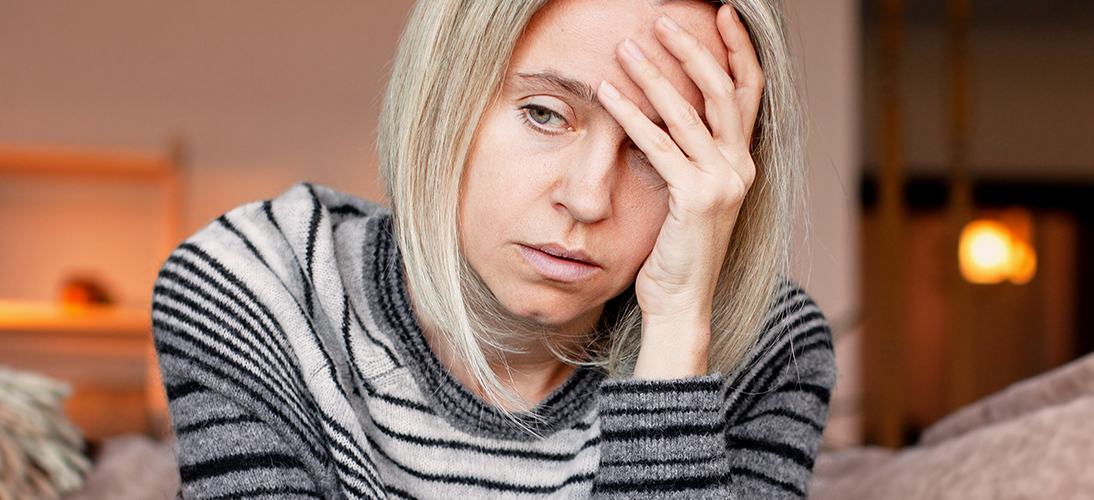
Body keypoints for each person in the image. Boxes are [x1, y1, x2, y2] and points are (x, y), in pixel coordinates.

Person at [151, 0, 835, 497]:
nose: (590, 198)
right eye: (544, 113)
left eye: (662, 147)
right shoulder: (254, 287)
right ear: (443, 97)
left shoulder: (770, 349)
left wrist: (679, 328)